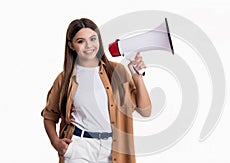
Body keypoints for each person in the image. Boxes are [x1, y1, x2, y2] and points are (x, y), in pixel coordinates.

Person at [41, 18, 152, 163]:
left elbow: (145, 111)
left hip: (112, 147)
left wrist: (137, 76)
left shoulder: (116, 71)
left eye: (93, 39)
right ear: (71, 46)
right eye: (81, 41)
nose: (89, 45)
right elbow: (49, 116)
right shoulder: (64, 79)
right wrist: (55, 142)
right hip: (79, 146)